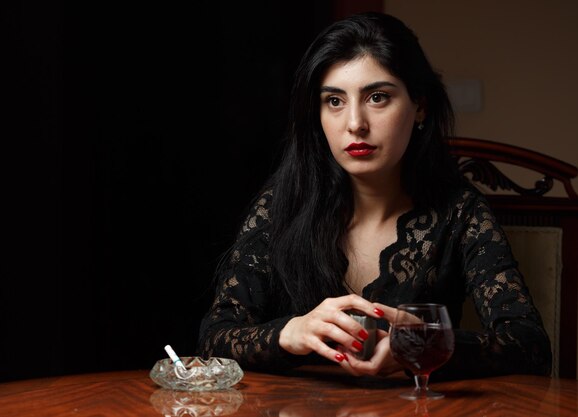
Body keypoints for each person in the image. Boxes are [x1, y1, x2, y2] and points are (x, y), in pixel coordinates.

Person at [197, 11, 551, 379]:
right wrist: (289, 333)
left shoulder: (461, 213)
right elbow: (214, 339)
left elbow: (530, 347)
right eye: (334, 101)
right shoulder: (280, 204)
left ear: (421, 106)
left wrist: (425, 343)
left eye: (377, 97)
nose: (355, 123)